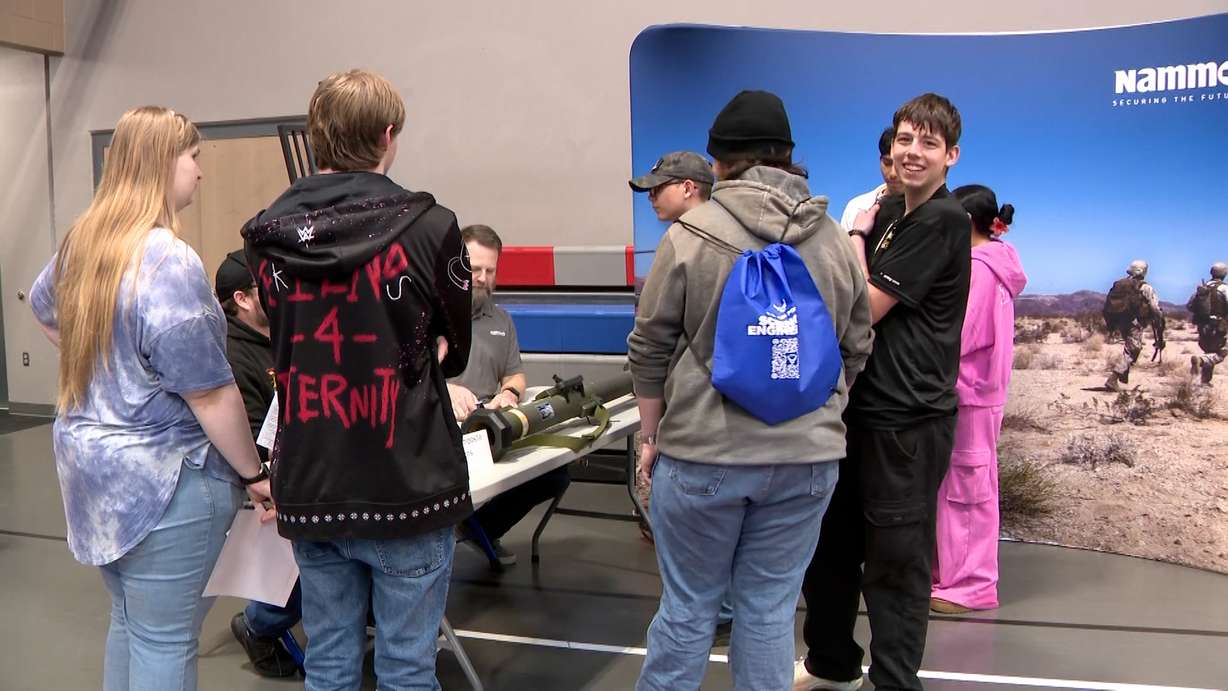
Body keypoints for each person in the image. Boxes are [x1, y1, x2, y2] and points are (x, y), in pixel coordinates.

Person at [629, 89, 873, 691]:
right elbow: (857, 342)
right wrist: (821, 408)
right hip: (808, 461)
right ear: (789, 156)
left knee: (687, 611)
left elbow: (650, 345)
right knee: (767, 613)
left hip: (705, 453)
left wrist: (652, 435)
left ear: (717, 163)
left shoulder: (693, 233)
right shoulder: (835, 240)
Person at [28, 105, 274, 691]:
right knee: (166, 639)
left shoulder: (84, 244)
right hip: (164, 482)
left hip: (93, 479)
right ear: (164, 161)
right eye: (193, 157)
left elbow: (44, 311)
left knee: (131, 622)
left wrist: (106, 362)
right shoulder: (167, 259)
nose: (199, 172)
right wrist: (254, 471)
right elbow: (212, 395)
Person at [241, 69, 472, 691]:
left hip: (314, 474)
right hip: (407, 475)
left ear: (316, 137)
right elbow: (454, 349)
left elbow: (277, 328)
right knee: (405, 667)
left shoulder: (266, 240)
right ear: (388, 136)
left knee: (332, 661)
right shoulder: (432, 226)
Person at [795, 93, 971, 691]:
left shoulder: (940, 220)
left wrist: (849, 243)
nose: (912, 152)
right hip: (859, 410)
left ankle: (894, 681)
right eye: (904, 139)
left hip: (906, 422)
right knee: (833, 547)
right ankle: (830, 662)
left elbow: (864, 306)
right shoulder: (893, 212)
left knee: (895, 564)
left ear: (951, 156)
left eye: (927, 143)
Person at [930, 185, 1027, 614]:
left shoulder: (980, 269)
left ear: (965, 221)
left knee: (966, 491)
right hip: (976, 394)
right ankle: (952, 574)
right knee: (965, 485)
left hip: (969, 393)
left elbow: (962, 334)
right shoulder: (995, 264)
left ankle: (969, 585)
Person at [449, 223, 568, 567]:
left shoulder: (500, 319)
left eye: (490, 270)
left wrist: (510, 393)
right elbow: (403, 375)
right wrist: (446, 388)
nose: (482, 277)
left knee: (555, 472)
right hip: (446, 436)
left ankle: (481, 530)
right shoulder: (427, 317)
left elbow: (514, 372)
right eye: (474, 268)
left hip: (491, 428)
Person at [214, 249, 302, 678]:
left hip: (300, 466)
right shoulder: (232, 355)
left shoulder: (286, 335)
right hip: (261, 483)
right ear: (243, 299)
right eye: (269, 285)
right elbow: (248, 439)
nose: (283, 292)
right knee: (326, 544)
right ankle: (257, 625)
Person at [1102, 260, 1164, 391]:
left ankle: (1123, 376)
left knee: (1131, 347)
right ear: (1142, 271)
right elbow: (1154, 306)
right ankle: (1113, 378)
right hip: (1135, 322)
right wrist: (1159, 317)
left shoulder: (1120, 285)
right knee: (1133, 350)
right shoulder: (1145, 287)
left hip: (1120, 320)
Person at [838, 127, 903, 230]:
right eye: (887, 163)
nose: (893, 173)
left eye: (901, 165)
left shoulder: (929, 210)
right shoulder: (856, 207)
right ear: (880, 160)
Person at [630, 150, 714, 221]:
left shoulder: (678, 238)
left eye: (656, 189)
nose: (650, 197)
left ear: (687, 189)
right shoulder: (721, 229)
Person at [1187, 262, 1228, 385]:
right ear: (1225, 274)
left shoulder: (1202, 289)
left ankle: (1205, 381)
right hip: (1219, 325)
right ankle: (1200, 360)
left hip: (1203, 325)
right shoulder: (1224, 288)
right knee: (1221, 353)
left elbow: (1189, 306)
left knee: (1210, 351)